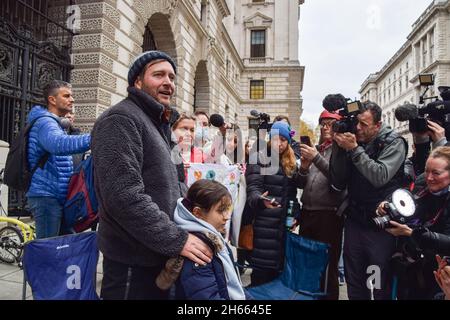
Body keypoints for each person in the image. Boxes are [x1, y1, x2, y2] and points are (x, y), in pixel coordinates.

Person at [91, 50, 212, 300]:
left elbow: (178, 183)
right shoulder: (120, 119)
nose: (168, 82)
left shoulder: (162, 125)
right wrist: (177, 239)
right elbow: (123, 196)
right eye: (158, 75)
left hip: (161, 258)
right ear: (137, 81)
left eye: (171, 76)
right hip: (131, 264)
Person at [330, 101, 407, 300]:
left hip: (380, 226)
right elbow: (338, 180)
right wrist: (338, 147)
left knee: (379, 281)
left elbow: (380, 176)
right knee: (354, 279)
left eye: (364, 124)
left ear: (378, 125)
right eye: (357, 123)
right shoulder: (355, 141)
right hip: (355, 220)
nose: (357, 128)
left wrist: (354, 149)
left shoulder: (394, 142)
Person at [377, 146, 450, 299]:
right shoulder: (422, 184)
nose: (429, 177)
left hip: (441, 275)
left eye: (436, 173)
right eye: (427, 170)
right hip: (413, 269)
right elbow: (405, 201)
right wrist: (387, 206)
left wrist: (411, 233)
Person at [26, 80, 90, 239]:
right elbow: (59, 144)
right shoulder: (45, 122)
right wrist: (96, 136)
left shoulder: (54, 123)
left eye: (72, 96)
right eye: (67, 96)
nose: (72, 99)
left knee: (65, 244)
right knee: (48, 249)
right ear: (52, 100)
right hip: (46, 196)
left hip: (56, 196)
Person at [166, 179, 249, 300]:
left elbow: (235, 285)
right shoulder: (198, 249)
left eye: (228, 209)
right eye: (221, 210)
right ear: (198, 213)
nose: (227, 217)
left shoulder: (214, 237)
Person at [296, 110, 347, 300]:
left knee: (328, 264)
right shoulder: (318, 148)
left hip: (329, 215)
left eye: (331, 124)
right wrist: (304, 167)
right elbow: (301, 183)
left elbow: (338, 179)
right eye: (323, 123)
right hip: (308, 212)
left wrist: (316, 157)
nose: (326, 127)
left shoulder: (341, 150)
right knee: (308, 260)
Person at [246, 121, 301, 286]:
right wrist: (260, 200)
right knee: (261, 276)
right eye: (276, 138)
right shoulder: (259, 158)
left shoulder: (290, 162)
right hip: (264, 226)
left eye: (284, 139)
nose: (280, 143)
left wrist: (295, 214)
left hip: (283, 228)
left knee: (278, 277)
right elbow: (253, 188)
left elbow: (292, 195)